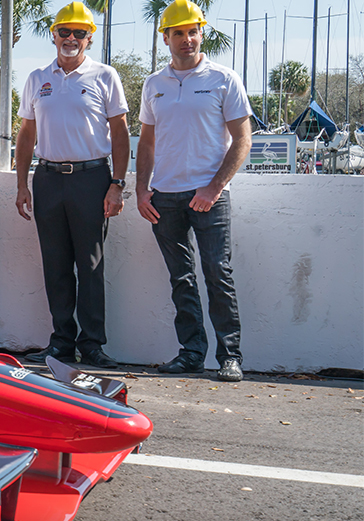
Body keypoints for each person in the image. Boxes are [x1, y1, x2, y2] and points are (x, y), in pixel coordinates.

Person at [135, 0, 252, 382]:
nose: (187, 39)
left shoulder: (224, 78)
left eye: (193, 31)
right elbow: (147, 144)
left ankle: (230, 356)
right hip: (165, 197)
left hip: (210, 197)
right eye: (179, 33)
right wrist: (141, 190)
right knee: (181, 278)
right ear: (165, 37)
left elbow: (242, 141)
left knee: (218, 272)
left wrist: (214, 187)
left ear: (201, 33)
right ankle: (190, 354)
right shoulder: (154, 84)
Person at [15, 2, 130, 369]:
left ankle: (92, 345)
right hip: (48, 179)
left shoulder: (105, 76)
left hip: (91, 180)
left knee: (91, 264)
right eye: (64, 31)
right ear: (54, 35)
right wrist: (22, 184)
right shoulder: (37, 78)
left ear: (89, 38)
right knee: (56, 265)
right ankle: (61, 343)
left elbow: (120, 133)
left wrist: (117, 184)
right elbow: (26, 134)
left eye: (79, 33)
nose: (71, 38)